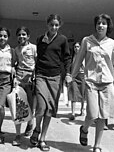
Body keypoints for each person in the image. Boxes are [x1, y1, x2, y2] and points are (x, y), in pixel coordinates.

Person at [72, 14, 114, 152]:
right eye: (98, 23)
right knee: (92, 114)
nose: (100, 25)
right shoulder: (87, 41)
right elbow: (79, 59)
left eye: (104, 23)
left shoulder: (111, 44)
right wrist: (71, 75)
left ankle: (97, 145)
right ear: (95, 25)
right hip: (91, 82)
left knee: (102, 116)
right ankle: (84, 129)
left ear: (107, 26)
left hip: (106, 83)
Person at [30, 14, 72, 151]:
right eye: (51, 24)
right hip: (41, 76)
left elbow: (67, 58)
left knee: (49, 110)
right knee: (41, 107)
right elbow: (39, 59)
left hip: (55, 78)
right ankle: (37, 128)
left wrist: (68, 74)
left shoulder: (63, 40)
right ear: (47, 24)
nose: (54, 27)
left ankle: (42, 138)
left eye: (56, 25)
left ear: (59, 26)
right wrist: (33, 74)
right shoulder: (40, 39)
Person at [12, 26, 37, 146]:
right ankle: (18, 135)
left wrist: (35, 76)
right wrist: (13, 72)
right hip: (19, 80)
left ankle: (31, 123)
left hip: (31, 81)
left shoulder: (33, 48)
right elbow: (15, 63)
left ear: (28, 36)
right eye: (19, 34)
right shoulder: (16, 49)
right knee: (19, 107)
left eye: (24, 34)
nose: (21, 36)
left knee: (31, 106)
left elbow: (37, 63)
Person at [68, 42, 85, 121]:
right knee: (73, 94)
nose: (76, 48)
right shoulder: (72, 57)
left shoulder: (84, 56)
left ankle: (82, 109)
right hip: (74, 76)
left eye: (78, 47)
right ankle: (73, 113)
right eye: (75, 47)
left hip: (82, 76)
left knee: (82, 94)